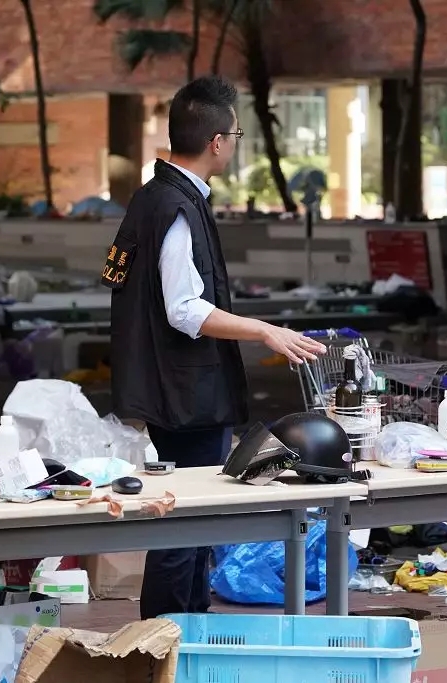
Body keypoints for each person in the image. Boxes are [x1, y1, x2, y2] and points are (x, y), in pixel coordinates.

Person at [103, 75, 327, 619]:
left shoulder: (158, 199)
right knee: (185, 525)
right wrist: (264, 331)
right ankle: (165, 646)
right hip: (185, 394)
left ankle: (182, 641)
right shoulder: (173, 209)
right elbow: (183, 310)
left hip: (174, 388)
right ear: (218, 142)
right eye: (236, 134)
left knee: (191, 525)